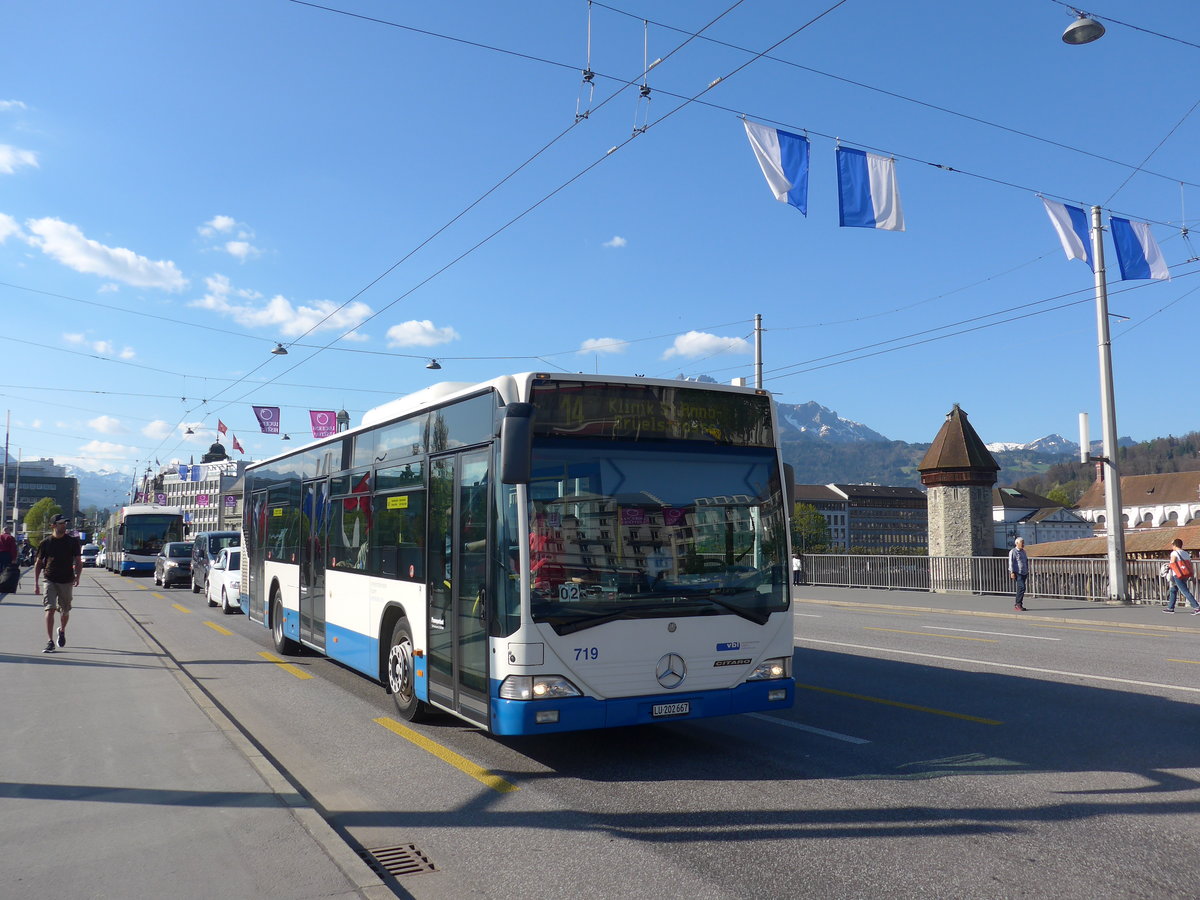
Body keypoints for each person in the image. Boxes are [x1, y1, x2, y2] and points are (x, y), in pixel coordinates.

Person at [34, 514, 82, 653]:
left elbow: (78, 561)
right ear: (53, 525)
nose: (64, 525)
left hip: (67, 580)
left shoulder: (72, 542)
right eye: (61, 523)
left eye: (65, 523)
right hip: (49, 579)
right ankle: (49, 641)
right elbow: (38, 563)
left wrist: (77, 576)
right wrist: (36, 583)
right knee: (50, 609)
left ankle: (61, 630)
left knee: (65, 611)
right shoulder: (46, 543)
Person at [1164, 538, 1200, 614]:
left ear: (1174, 545)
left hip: (1177, 574)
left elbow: (1172, 563)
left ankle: (1197, 607)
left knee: (1184, 591)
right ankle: (1170, 607)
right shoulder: (1186, 553)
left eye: (1172, 545)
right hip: (1185, 574)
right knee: (1173, 589)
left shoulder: (1174, 553)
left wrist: (1167, 566)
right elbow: (1189, 564)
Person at [1008, 537, 1029, 611]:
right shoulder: (1013, 551)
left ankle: (1019, 604)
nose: (1023, 544)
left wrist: (1027, 570)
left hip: (1024, 572)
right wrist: (1012, 572)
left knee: (1020, 589)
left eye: (1023, 542)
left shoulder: (1023, 551)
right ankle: (1018, 604)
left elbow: (1025, 561)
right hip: (1018, 572)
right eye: (1021, 543)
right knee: (1022, 587)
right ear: (1017, 543)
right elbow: (1011, 562)